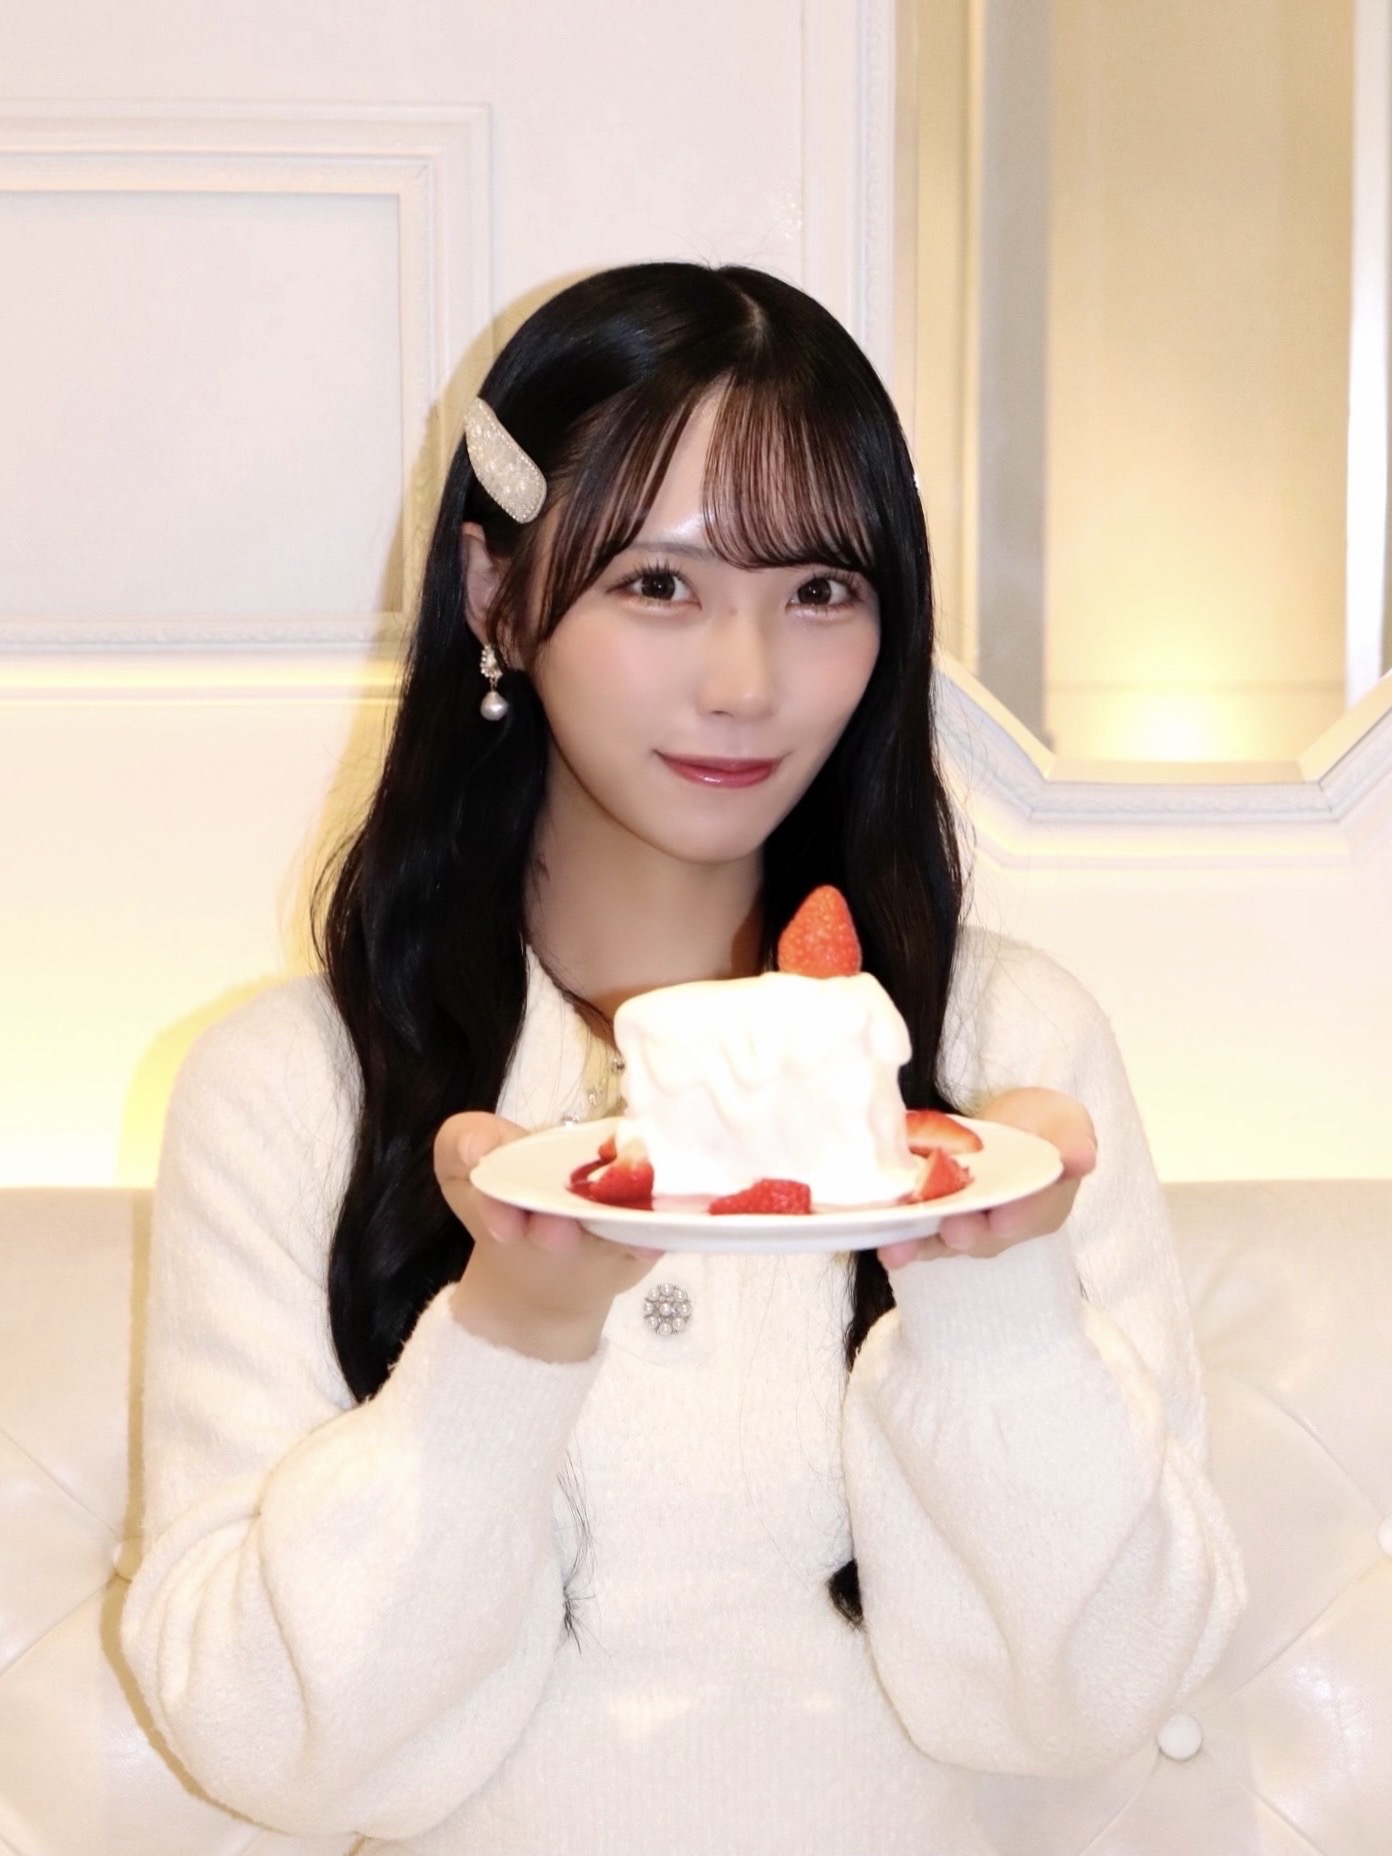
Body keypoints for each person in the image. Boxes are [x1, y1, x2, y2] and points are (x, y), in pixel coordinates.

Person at [119, 261, 1244, 1855]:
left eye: (820, 591)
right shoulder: (293, 1089)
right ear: (496, 592)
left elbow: (1085, 1706)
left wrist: (993, 1298)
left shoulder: (1003, 1059)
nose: (747, 682)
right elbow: (282, 1750)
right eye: (659, 584)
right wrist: (511, 1333)